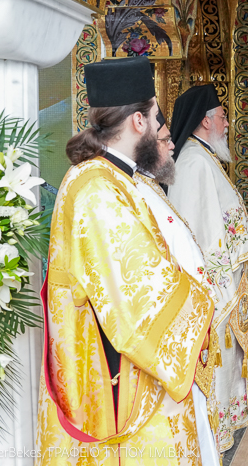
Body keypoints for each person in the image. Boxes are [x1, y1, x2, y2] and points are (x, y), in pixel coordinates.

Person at [36, 56, 215, 464]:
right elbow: (140, 292)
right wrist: (200, 305)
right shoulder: (97, 188)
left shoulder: (115, 176)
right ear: (138, 121)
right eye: (154, 117)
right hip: (119, 376)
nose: (159, 127)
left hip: (123, 362)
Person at [168, 85, 248, 453]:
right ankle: (213, 433)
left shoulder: (204, 158)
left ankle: (223, 425)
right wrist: (217, 282)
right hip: (214, 283)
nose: (227, 123)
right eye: (223, 117)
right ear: (206, 121)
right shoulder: (194, 162)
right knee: (218, 357)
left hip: (226, 279)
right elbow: (196, 228)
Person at [134, 111, 221, 464]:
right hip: (168, 342)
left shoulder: (149, 185)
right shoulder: (131, 191)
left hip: (185, 332)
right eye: (166, 140)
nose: (173, 146)